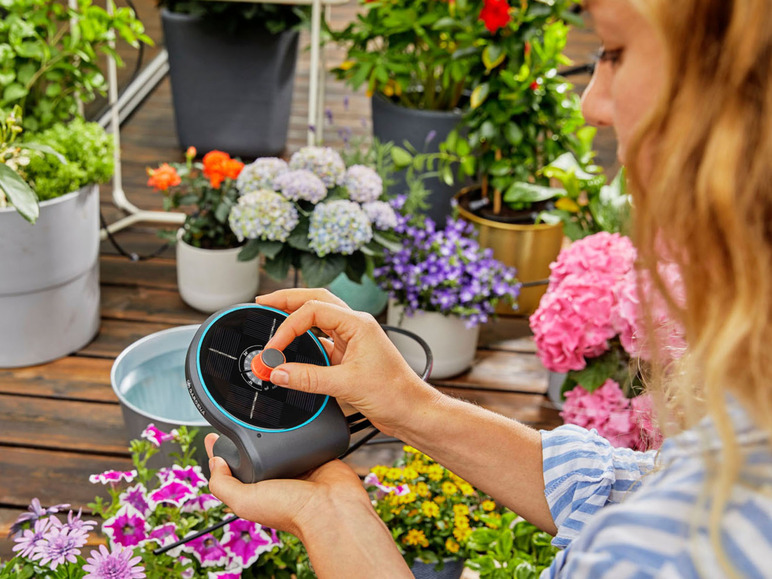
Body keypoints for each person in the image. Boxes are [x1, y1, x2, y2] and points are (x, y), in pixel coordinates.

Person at [205, 0, 772, 576]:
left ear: (744, 93)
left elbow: (653, 530)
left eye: (616, 52)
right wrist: (407, 407)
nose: (591, 103)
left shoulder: (679, 550)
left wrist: (328, 518)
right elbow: (629, 489)